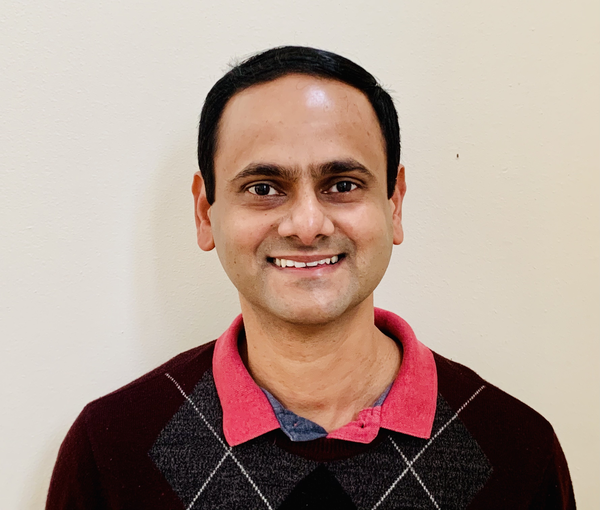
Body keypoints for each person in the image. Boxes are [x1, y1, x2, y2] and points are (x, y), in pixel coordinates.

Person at [46, 46, 575, 510]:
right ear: (206, 214)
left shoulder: (515, 450)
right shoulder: (112, 449)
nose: (306, 225)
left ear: (394, 204)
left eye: (342, 184)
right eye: (263, 188)